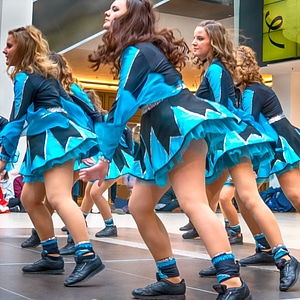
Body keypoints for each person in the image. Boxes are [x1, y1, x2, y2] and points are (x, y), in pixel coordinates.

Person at [79, 1, 258, 299]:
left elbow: (122, 106)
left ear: (132, 16)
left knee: (193, 202)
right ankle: (171, 278)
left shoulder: (139, 51)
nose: (107, 13)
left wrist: (104, 159)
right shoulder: (136, 51)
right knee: (139, 206)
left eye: (115, 8)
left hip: (176, 121)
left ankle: (232, 283)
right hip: (159, 126)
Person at [193, 20, 300, 292]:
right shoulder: (218, 73)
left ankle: (282, 257)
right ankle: (229, 260)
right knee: (214, 201)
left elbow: (227, 112)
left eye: (199, 38)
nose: (193, 43)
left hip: (246, 140)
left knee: (254, 197)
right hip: (228, 142)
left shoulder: (226, 76)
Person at [0, 25, 105, 287]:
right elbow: (79, 104)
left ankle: (86, 254)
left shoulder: (26, 76)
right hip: (49, 138)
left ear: (22, 47)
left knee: (58, 197)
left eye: (10, 45)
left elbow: (16, 119)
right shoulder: (45, 74)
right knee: (30, 198)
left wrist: (3, 157)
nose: (4, 50)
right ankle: (51, 254)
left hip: (53, 138)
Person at [232, 45, 300, 269]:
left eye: (232, 66)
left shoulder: (254, 91)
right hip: (265, 144)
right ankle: (265, 248)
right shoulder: (241, 93)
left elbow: (248, 121)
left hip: (281, 142)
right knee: (243, 198)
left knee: (295, 195)